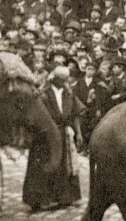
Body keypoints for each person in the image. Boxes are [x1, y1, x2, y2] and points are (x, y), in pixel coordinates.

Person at [23, 65, 83, 212]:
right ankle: (40, 199)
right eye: (61, 80)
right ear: (54, 79)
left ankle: (65, 197)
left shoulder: (69, 93)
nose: (64, 83)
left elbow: (75, 113)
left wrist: (79, 132)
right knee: (43, 164)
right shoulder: (43, 93)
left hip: (63, 133)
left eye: (66, 80)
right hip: (45, 134)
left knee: (64, 166)